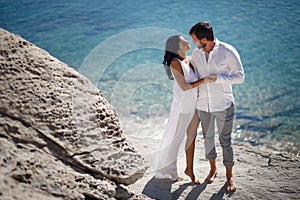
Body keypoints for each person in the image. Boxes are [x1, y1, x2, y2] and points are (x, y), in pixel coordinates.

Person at [189, 22, 245, 193]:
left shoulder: (227, 51)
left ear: (204, 39)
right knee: (207, 138)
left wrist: (218, 78)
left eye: (195, 39)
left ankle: (229, 176)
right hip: (203, 105)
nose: (194, 43)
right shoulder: (196, 54)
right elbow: (191, 72)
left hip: (223, 104)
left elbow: (240, 77)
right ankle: (213, 169)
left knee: (225, 141)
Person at [154, 35, 215, 184]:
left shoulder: (188, 60)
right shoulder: (175, 63)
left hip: (194, 104)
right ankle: (172, 172)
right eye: (183, 41)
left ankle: (189, 170)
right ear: (177, 47)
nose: (187, 42)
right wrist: (205, 80)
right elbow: (184, 86)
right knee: (177, 138)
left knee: (191, 137)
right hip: (183, 106)